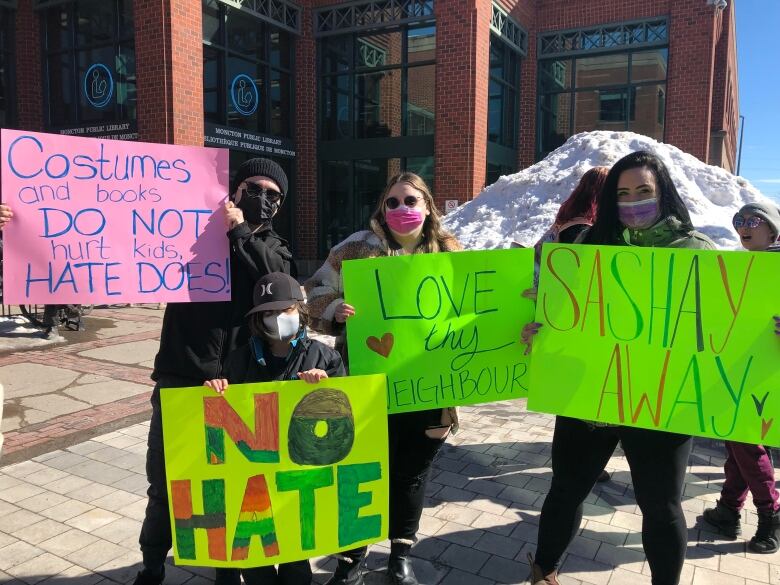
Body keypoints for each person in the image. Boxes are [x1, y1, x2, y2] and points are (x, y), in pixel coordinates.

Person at [522, 151, 716, 585]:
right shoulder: (587, 245)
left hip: (660, 401)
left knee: (660, 505)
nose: (633, 202)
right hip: (588, 395)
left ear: (662, 192)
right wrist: (541, 329)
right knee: (566, 490)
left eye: (643, 191)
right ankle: (543, 571)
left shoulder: (695, 250)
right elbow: (559, 310)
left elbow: (725, 324)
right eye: (623, 193)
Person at [135, 158, 296, 585]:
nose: (263, 199)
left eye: (273, 195)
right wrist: (20, 226)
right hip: (182, 376)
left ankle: (227, 568)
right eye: (254, 188)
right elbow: (115, 240)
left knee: (232, 486)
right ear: (235, 188)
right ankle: (152, 565)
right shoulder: (187, 232)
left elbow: (276, 281)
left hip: (241, 384)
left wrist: (239, 231)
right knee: (166, 483)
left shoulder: (275, 247)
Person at [305, 172, 460, 585]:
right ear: (381, 208)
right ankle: (351, 558)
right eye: (392, 202)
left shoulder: (451, 252)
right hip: (364, 382)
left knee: (411, 473)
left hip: (426, 387)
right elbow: (312, 293)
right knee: (360, 468)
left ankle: (400, 554)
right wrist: (334, 308)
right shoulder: (356, 249)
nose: (402, 209)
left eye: (411, 200)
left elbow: (477, 310)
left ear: (427, 206)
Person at [204, 272, 345, 585]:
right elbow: (224, 413)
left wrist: (327, 387)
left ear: (300, 311)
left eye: (286, 310)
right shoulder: (239, 360)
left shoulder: (324, 357)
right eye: (269, 313)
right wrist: (215, 390)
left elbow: (347, 411)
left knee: (295, 561)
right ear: (258, 319)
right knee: (257, 566)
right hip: (255, 485)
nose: (279, 318)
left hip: (299, 479)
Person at [702, 202, 780, 553]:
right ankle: (728, 510)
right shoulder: (741, 265)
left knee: (748, 446)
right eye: (739, 221)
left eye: (753, 221)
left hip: (765, 375)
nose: (744, 227)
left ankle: (771, 517)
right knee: (736, 443)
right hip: (737, 370)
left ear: (772, 230)